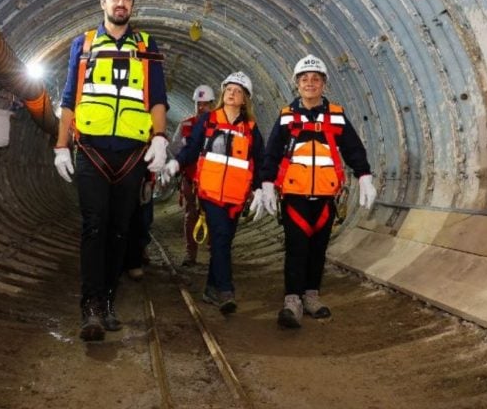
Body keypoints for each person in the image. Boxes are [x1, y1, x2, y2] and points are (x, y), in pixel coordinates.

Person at [53, 0, 168, 342]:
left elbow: (157, 99)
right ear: (102, 1)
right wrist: (60, 145)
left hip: (131, 155)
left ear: (133, 4)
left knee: (121, 230)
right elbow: (69, 98)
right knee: (94, 225)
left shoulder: (147, 46)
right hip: (91, 150)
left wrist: (161, 138)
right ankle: (90, 307)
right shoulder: (84, 45)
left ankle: (107, 300)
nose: (121, 4)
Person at [252, 54, 377, 329]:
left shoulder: (336, 116)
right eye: (305, 79)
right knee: (296, 247)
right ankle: (292, 300)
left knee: (318, 248)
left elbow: (353, 149)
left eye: (315, 79)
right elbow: (272, 153)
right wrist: (266, 184)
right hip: (294, 196)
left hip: (325, 196)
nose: (310, 83)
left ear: (323, 84)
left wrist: (364, 174)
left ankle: (312, 295)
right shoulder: (286, 117)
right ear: (297, 84)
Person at [162, 72, 264, 314]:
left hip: (236, 197)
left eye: (238, 91)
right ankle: (226, 291)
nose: (232, 93)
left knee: (223, 242)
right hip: (210, 193)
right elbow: (192, 147)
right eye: (229, 89)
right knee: (219, 237)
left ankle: (210, 288)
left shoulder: (250, 128)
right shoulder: (208, 121)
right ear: (223, 93)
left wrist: (260, 187)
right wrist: (176, 163)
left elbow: (259, 160)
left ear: (244, 99)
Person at [168, 85, 215, 266]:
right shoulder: (186, 125)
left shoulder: (218, 125)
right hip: (190, 177)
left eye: (205, 104)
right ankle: (190, 254)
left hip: (212, 179)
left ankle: (214, 252)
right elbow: (175, 148)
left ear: (212, 104)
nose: (201, 107)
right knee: (190, 214)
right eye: (198, 104)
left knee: (213, 215)